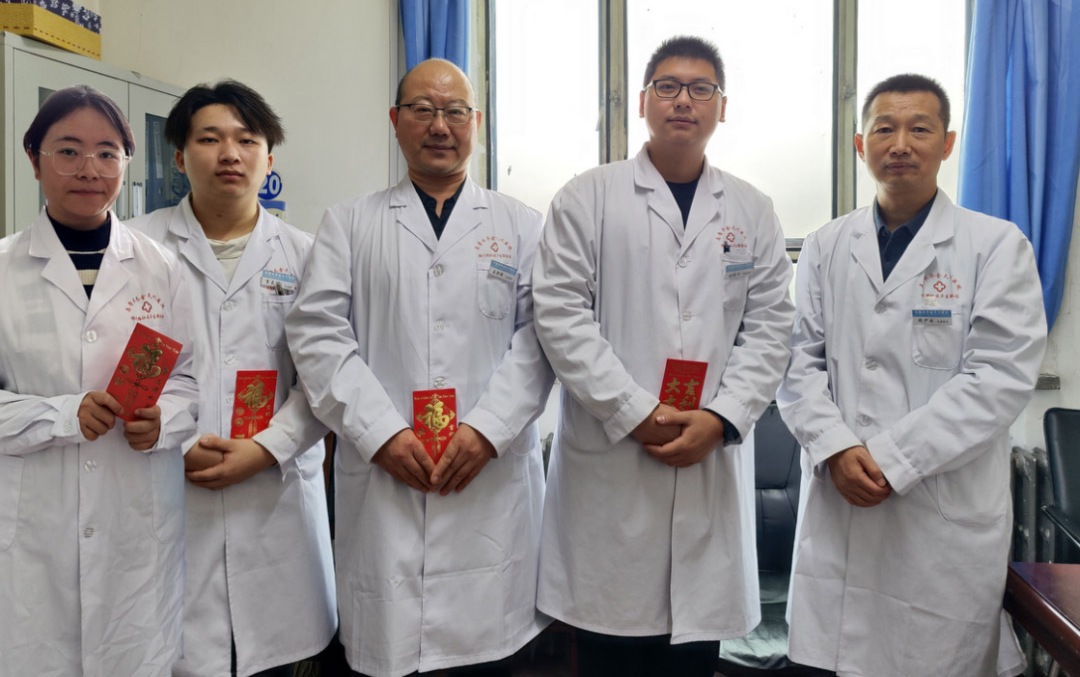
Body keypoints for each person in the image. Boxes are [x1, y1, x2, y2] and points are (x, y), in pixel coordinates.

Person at [532, 35, 795, 676]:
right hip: (613, 463)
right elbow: (561, 315)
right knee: (608, 650)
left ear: (721, 107)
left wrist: (722, 418)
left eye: (701, 89)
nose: (684, 101)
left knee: (693, 655)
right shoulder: (586, 198)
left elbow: (771, 326)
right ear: (643, 102)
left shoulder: (751, 210)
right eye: (668, 87)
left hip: (709, 456)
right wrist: (634, 411)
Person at [286, 57, 554, 677]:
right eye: (423, 110)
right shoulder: (349, 224)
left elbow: (540, 340)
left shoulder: (522, 226)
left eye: (455, 111)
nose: (440, 125)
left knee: (488, 660)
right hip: (386, 479)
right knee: (389, 655)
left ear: (475, 122)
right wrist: (380, 432)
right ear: (396, 120)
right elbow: (318, 334)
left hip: (488, 484)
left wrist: (487, 430)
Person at [777, 73, 1047, 677]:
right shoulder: (824, 245)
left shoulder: (996, 245)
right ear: (860, 144)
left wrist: (892, 458)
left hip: (937, 513)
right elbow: (798, 361)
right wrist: (834, 446)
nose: (900, 144)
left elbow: (999, 376)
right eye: (884, 129)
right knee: (829, 663)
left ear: (947, 144)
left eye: (919, 129)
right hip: (840, 499)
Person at [129, 81, 336, 677]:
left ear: (268, 160)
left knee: (277, 658)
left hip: (275, 492)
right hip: (168, 486)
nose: (229, 154)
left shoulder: (308, 255)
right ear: (178, 157)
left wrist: (267, 448)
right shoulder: (136, 249)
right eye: (209, 139)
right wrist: (175, 442)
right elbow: (125, 367)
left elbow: (325, 377)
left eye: (247, 140)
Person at [0, 85, 199, 676]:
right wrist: (63, 414)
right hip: (34, 534)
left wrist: (165, 421)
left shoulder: (163, 268)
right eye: (68, 151)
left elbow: (190, 382)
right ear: (34, 159)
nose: (89, 169)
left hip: (134, 527)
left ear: (127, 163)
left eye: (108, 153)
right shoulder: (3, 269)